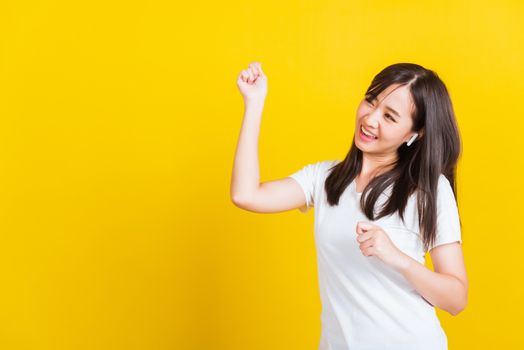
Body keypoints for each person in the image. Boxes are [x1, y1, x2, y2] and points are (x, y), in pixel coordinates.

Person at [230, 61, 468, 350]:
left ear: (413, 135)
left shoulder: (427, 190)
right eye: (371, 101)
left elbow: (456, 298)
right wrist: (254, 103)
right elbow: (246, 195)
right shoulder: (325, 179)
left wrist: (397, 258)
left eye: (390, 117)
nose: (370, 119)